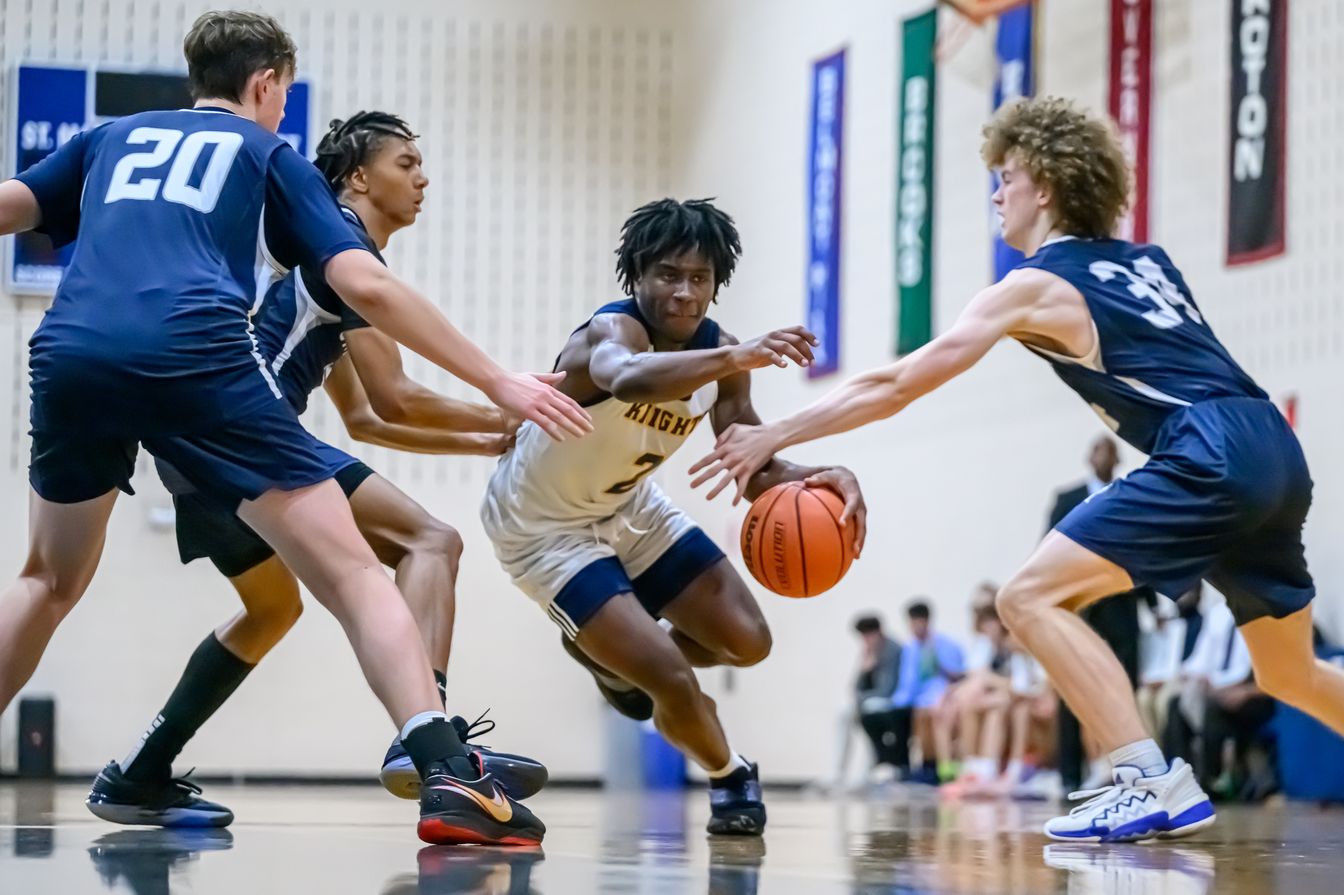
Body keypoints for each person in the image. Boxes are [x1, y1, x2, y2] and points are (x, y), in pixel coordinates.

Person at [0, 11, 590, 846]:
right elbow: (368, 292)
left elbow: (9, 206)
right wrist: (500, 382)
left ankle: (144, 771)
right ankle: (446, 769)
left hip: (72, 352)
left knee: (51, 580)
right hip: (200, 367)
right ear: (267, 84)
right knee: (359, 574)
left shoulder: (111, 138)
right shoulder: (266, 152)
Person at [692, 95, 1344, 843]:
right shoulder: (1148, 262)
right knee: (1291, 672)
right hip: (1271, 444)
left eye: (1004, 177)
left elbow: (898, 382)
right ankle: (1148, 776)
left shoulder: (1034, 284)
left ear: (1047, 183)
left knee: (1027, 596)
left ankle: (1146, 778)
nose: (996, 195)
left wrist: (774, 430)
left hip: (1209, 448)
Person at [85, 112, 546, 829]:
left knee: (273, 609)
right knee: (432, 541)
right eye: (407, 162)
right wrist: (505, 411)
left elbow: (366, 415)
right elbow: (398, 395)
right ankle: (430, 741)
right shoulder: (346, 251)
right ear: (358, 177)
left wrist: (488, 439)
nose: (423, 177)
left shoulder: (311, 255)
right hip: (244, 431)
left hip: (194, 446)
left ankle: (138, 774)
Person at [480, 198, 866, 835]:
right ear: (637, 275)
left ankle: (608, 656)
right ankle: (730, 776)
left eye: (700, 278)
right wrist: (736, 359)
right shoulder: (609, 334)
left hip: (627, 508)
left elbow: (753, 464)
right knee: (673, 679)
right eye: (668, 274)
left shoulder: (723, 355)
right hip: (541, 528)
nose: (685, 292)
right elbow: (627, 379)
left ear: (717, 283)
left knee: (748, 642)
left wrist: (816, 476)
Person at [1049, 436, 1156, 791]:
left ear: (1118, 459)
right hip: (1079, 607)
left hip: (1122, 607)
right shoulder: (1067, 498)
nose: (1104, 457)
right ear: (1087, 457)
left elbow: (1146, 549)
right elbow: (1047, 549)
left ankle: (1126, 770)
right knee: (1071, 687)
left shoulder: (1131, 495)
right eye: (1098, 450)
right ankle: (1070, 777)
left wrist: (1154, 606)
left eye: (1110, 452)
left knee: (1123, 687)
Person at [889, 600, 965, 784]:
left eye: (919, 622)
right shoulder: (910, 649)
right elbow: (907, 686)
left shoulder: (945, 645)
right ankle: (914, 766)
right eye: (913, 623)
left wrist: (938, 663)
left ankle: (940, 766)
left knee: (935, 713)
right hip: (918, 700)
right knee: (905, 716)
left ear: (928, 621)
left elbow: (959, 676)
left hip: (943, 696)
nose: (916, 627)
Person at [852, 615, 905, 776]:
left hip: (892, 701)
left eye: (869, 634)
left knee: (868, 709)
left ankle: (872, 767)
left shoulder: (892, 650)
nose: (867, 639)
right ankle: (838, 772)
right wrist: (864, 671)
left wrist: (861, 699)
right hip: (869, 701)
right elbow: (855, 688)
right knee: (842, 712)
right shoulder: (868, 652)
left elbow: (887, 689)